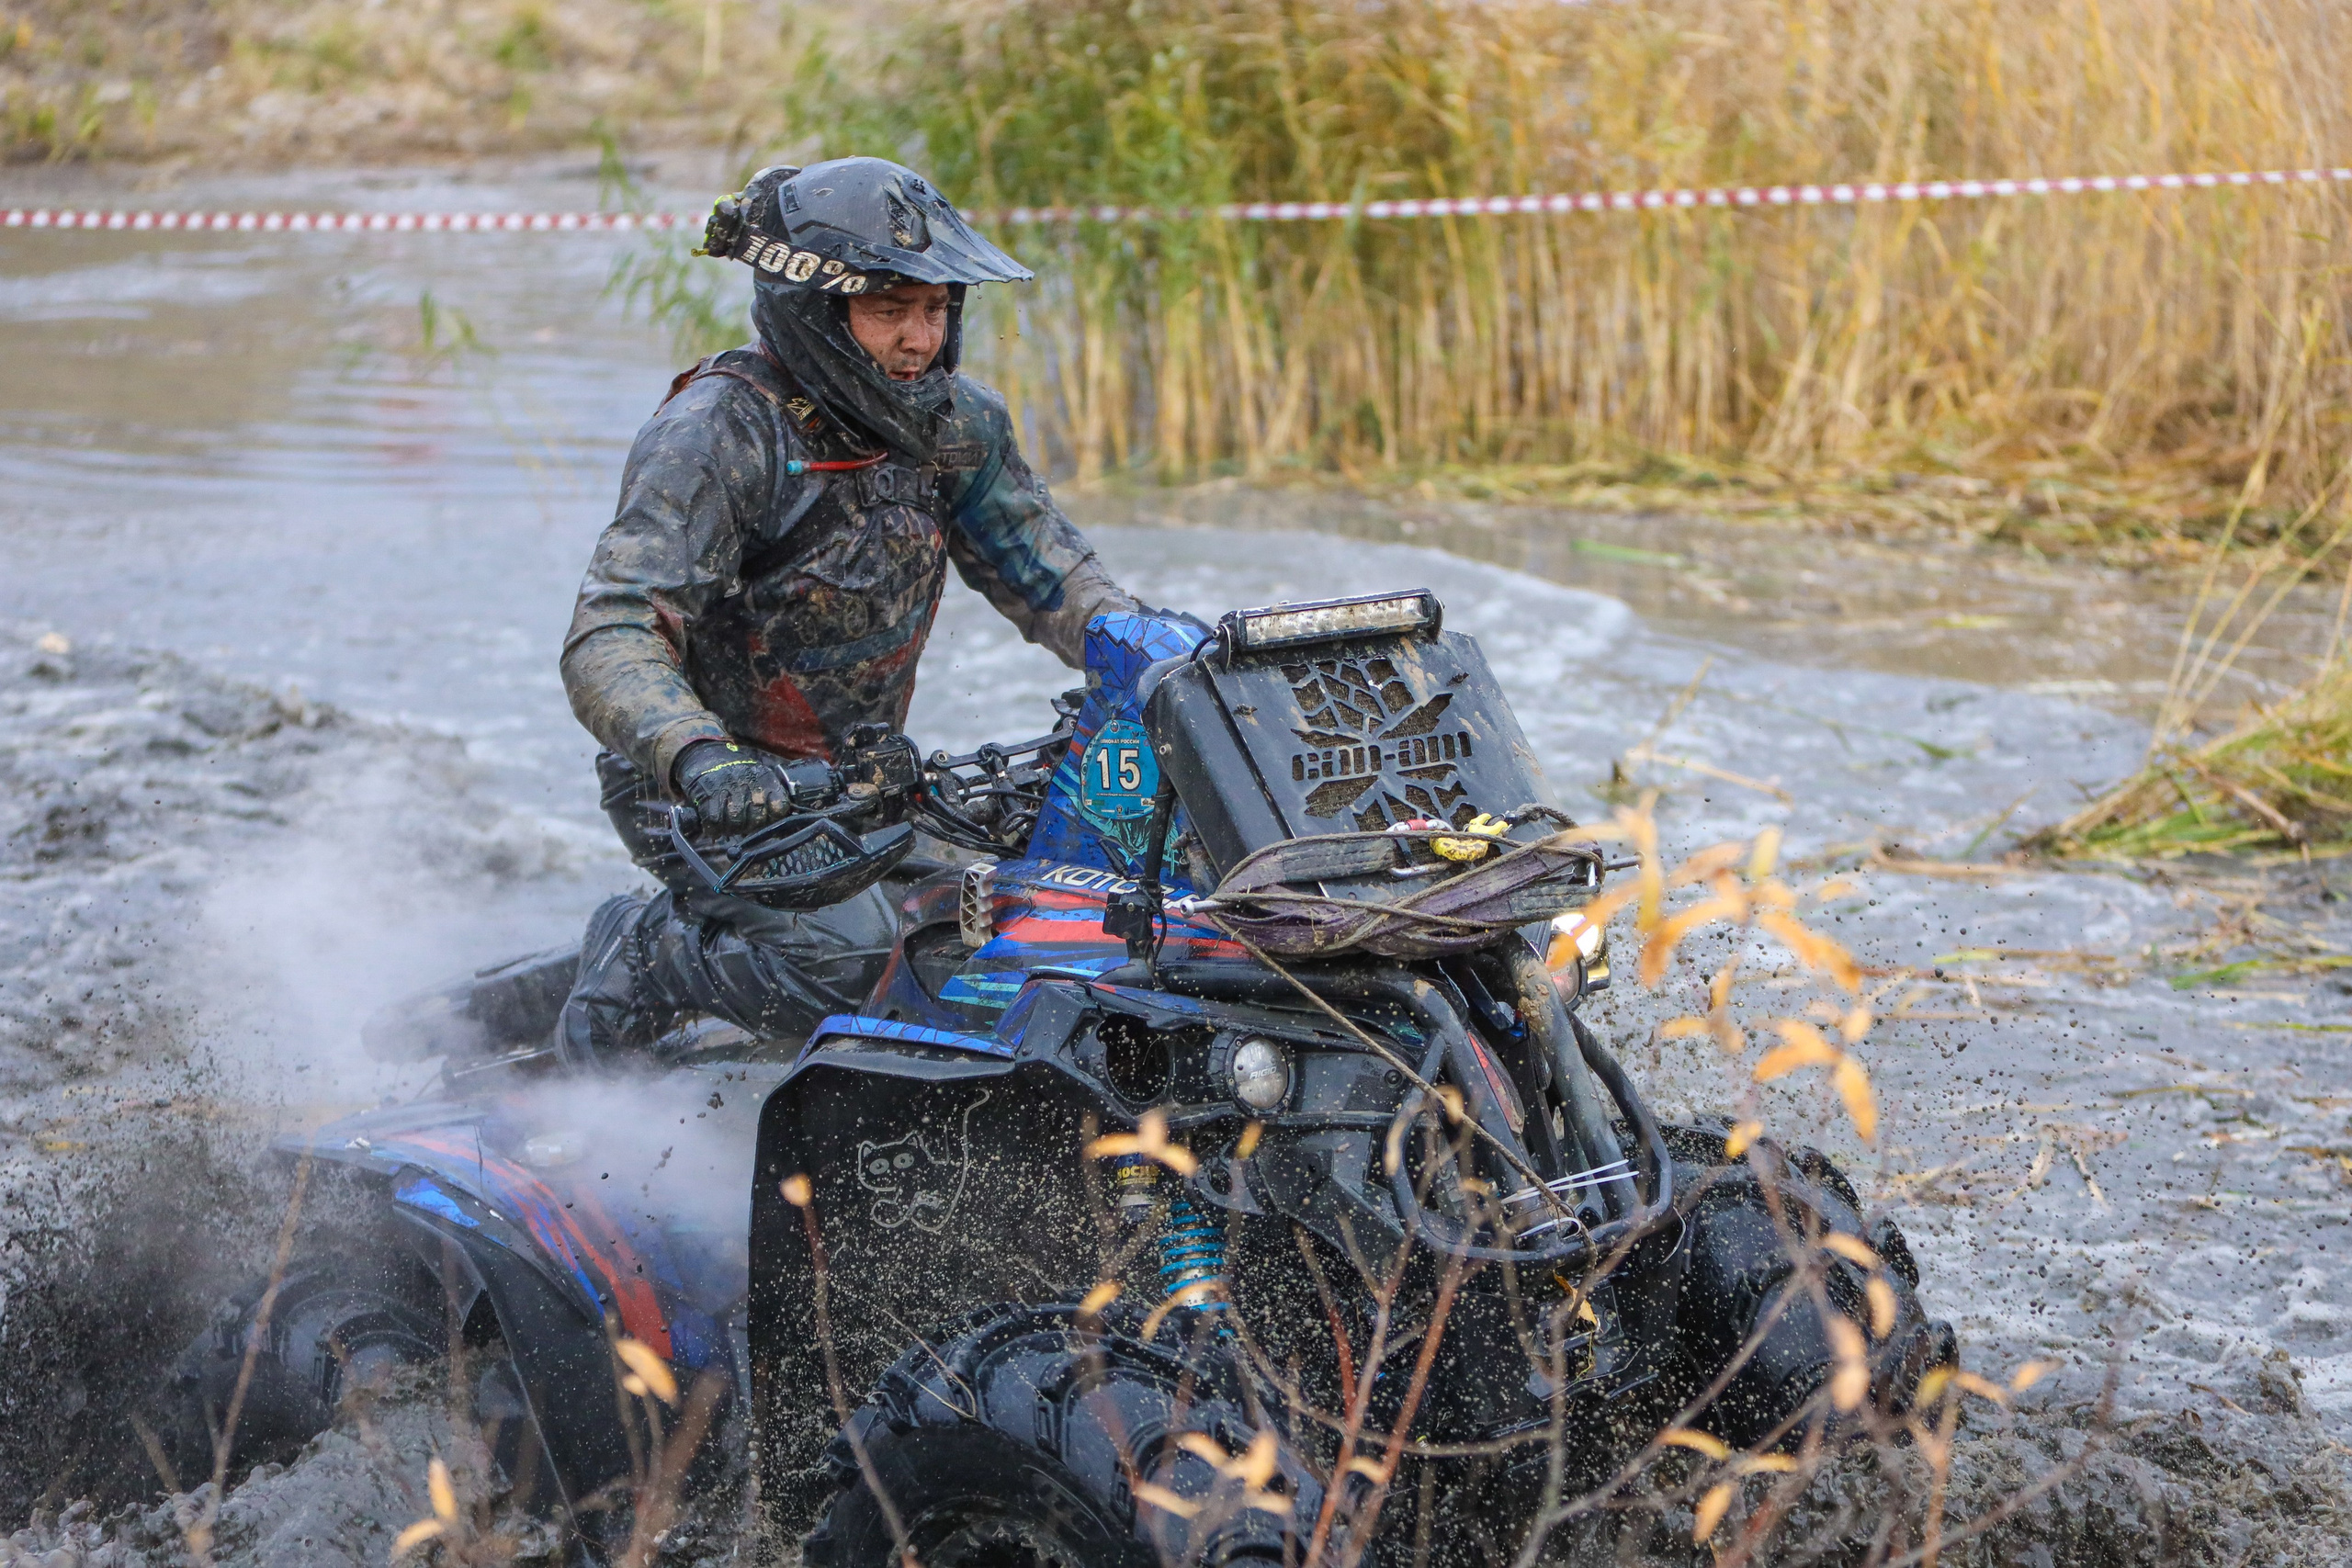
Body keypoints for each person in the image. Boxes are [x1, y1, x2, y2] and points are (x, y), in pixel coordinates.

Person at [554, 157, 1141, 1066]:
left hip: (868, 781)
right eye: (889, 310)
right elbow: (613, 631)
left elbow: (1055, 578)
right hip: (705, 794)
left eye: (936, 308)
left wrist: (1163, 663)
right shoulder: (721, 429)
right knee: (862, 962)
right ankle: (645, 952)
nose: (918, 339)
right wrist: (697, 755)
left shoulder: (959, 427)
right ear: (817, 310)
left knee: (1049, 927)